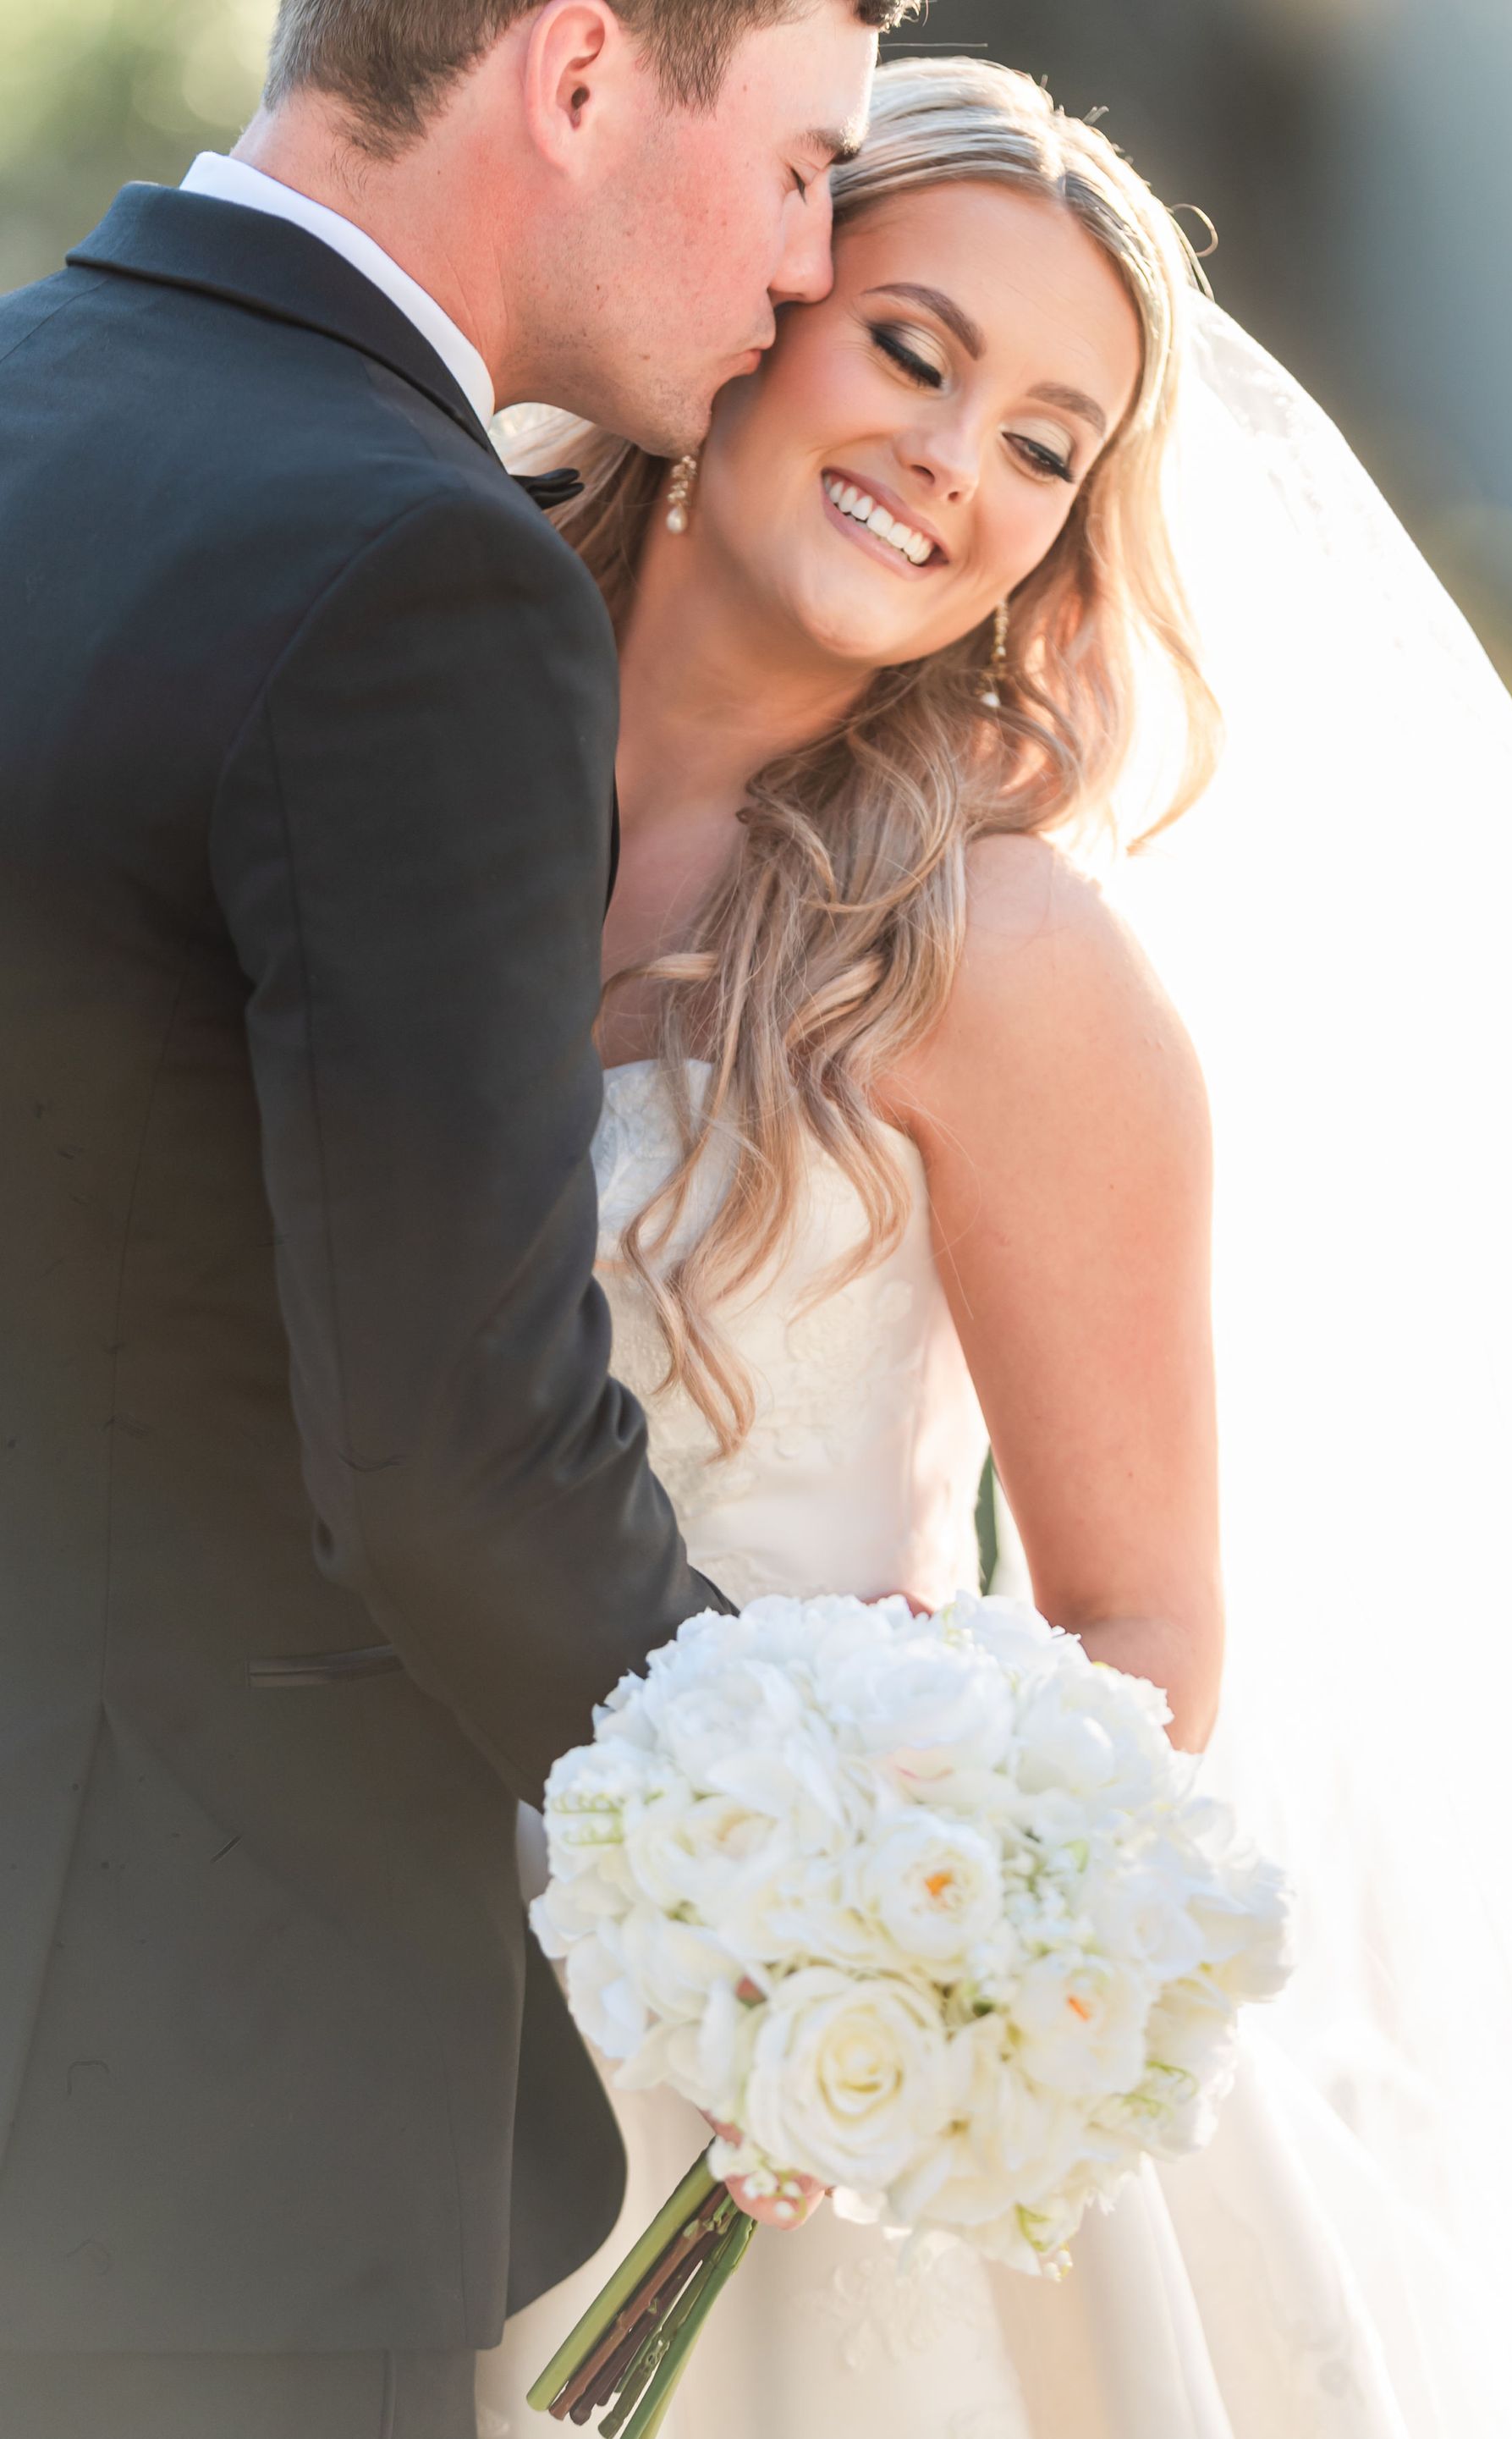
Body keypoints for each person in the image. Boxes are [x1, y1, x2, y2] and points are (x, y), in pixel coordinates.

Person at [485, 56, 1512, 2439]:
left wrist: (845, 1957)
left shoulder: (1002, 957)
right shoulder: (404, 748)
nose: (955, 463)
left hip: (766, 2084)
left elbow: (1144, 1627)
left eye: (1046, 441)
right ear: (755, 315)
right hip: (330, 1958)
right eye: (914, 349)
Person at [0, 2, 895, 2433]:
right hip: (192, 2138)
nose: (811, 265)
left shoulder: (27, 394)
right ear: (584, 76)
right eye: (803, 164)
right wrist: (849, 1857)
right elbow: (455, 1454)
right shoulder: (423, 571)